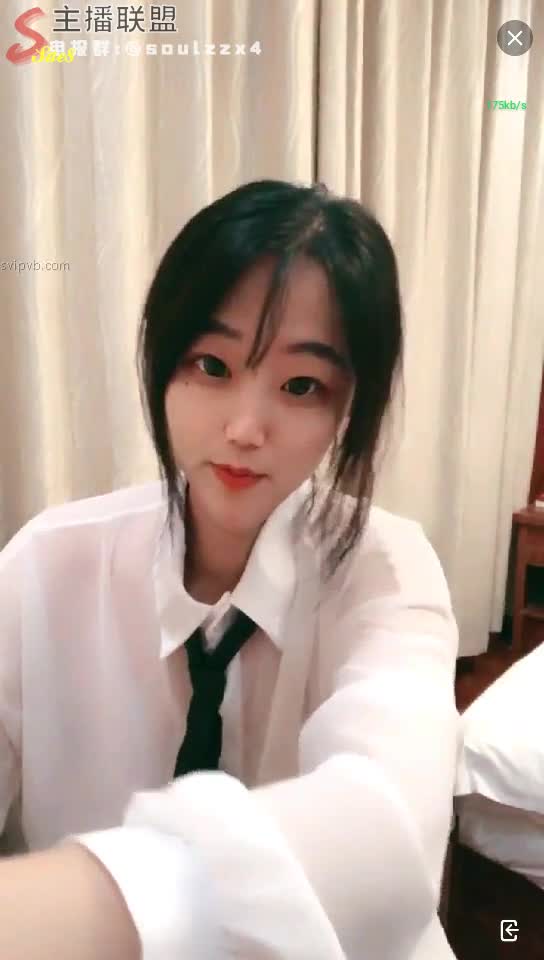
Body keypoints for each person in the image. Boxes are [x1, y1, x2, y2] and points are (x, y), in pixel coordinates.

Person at [0, 179, 461, 959]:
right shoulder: (47, 566)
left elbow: (385, 834)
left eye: (302, 386)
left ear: (349, 404)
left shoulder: (385, 570)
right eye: (211, 366)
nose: (246, 428)